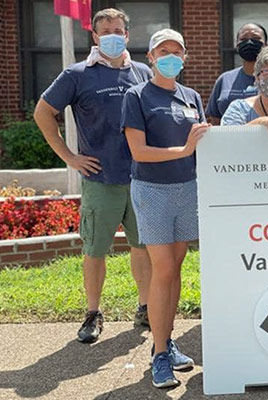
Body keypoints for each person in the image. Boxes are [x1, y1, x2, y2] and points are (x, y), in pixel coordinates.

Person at [33, 8, 152, 343]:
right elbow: (43, 112)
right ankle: (93, 313)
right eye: (106, 31)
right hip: (100, 180)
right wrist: (70, 157)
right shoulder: (77, 74)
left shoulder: (142, 73)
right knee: (95, 250)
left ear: (127, 35)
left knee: (141, 248)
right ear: (96, 37)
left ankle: (145, 308)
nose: (113, 35)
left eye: (119, 30)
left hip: (140, 179)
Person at [121, 28, 209, 389]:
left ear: (184, 58)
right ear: (151, 57)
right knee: (163, 271)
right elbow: (139, 151)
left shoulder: (192, 96)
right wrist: (184, 151)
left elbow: (203, 145)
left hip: (187, 189)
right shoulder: (137, 95)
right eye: (163, 51)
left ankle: (167, 340)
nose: (170, 56)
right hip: (152, 191)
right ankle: (159, 354)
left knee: (175, 269)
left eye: (177, 51)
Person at [206, 22, 268, 125]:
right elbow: (215, 121)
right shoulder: (224, 80)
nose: (249, 42)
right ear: (237, 45)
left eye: (256, 38)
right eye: (243, 39)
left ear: (266, 45)